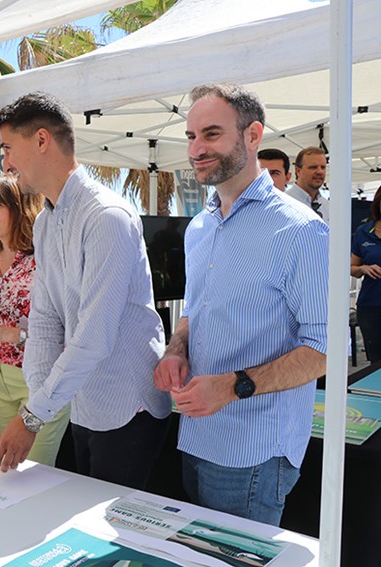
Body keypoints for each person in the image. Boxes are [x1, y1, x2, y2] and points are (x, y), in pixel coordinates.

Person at [154, 83, 328, 526]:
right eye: (191, 136)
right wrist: (176, 350)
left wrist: (232, 387)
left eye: (211, 134)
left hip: (254, 451)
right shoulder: (200, 227)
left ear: (253, 136)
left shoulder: (300, 230)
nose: (196, 149)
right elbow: (194, 310)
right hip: (195, 433)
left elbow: (325, 349)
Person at [0, 92, 171, 489]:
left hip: (128, 409)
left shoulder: (107, 217)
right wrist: (38, 404)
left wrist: (32, 416)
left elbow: (94, 336)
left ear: (41, 140)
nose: (6, 164)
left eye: (8, 149)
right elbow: (45, 318)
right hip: (83, 406)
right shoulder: (45, 222)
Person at [0, 175, 70, 466]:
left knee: (35, 473)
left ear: (21, 209)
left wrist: (11, 334)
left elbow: (69, 332)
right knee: (6, 468)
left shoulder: (46, 257)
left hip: (40, 381)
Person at [351, 187, 381, 363]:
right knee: (375, 362)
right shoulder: (363, 231)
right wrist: (363, 269)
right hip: (370, 308)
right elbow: (351, 268)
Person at [286, 146, 329, 223]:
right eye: (313, 167)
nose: (320, 172)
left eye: (323, 167)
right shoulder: (284, 204)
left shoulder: (328, 207)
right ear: (298, 171)